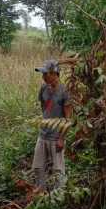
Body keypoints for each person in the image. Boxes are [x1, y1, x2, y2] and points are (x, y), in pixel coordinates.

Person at [32, 59, 72, 190]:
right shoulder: (43, 88)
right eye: (43, 74)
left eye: (46, 74)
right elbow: (44, 108)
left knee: (58, 170)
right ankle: (40, 193)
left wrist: (61, 138)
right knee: (38, 167)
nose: (43, 77)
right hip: (43, 135)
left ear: (55, 74)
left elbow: (67, 118)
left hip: (56, 137)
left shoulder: (64, 92)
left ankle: (59, 196)